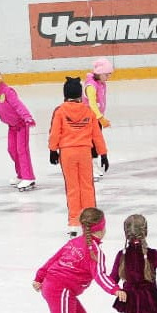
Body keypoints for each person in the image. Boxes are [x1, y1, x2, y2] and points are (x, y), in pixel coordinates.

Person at [50, 76, 108, 236]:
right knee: (87, 187)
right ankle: (91, 222)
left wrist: (52, 150)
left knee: (73, 188)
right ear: (80, 95)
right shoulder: (88, 111)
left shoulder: (60, 111)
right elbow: (96, 135)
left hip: (67, 153)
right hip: (84, 153)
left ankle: (74, 223)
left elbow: (55, 132)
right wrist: (103, 154)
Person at [0, 67, 37, 191]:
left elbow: (18, 105)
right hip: (12, 127)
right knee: (12, 150)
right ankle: (21, 175)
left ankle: (28, 177)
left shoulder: (8, 92)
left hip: (22, 124)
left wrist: (27, 117)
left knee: (21, 150)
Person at [85, 58, 114, 180]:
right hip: (89, 119)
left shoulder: (101, 83)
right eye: (106, 75)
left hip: (95, 118)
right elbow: (92, 103)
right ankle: (90, 166)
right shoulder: (91, 85)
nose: (108, 77)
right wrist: (100, 118)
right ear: (100, 73)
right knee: (92, 143)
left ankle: (93, 164)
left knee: (96, 143)